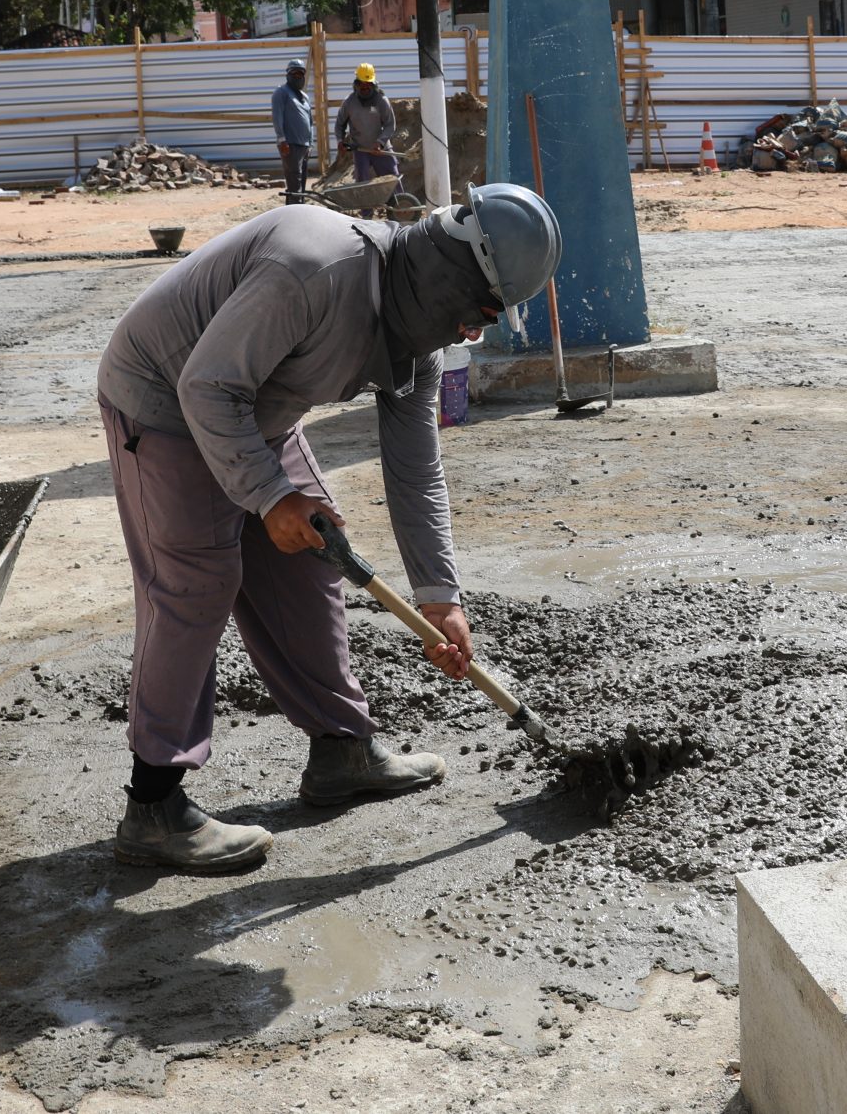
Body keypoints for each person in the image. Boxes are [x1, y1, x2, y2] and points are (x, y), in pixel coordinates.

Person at [93, 183, 561, 872]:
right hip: (166, 399)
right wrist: (268, 495)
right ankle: (153, 805)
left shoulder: (415, 339)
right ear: (448, 274)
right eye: (481, 312)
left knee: (316, 553)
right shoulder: (315, 268)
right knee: (199, 580)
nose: (474, 332)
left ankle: (342, 749)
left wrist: (441, 596)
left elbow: (414, 471)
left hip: (254, 406)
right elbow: (206, 387)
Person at [339, 62, 399, 182]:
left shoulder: (381, 101)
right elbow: (340, 124)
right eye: (362, 83)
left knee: (392, 180)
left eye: (368, 84)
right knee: (363, 184)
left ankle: (399, 201)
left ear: (373, 83)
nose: (365, 87)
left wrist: (380, 142)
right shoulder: (349, 102)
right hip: (361, 150)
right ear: (356, 83)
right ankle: (366, 201)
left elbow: (390, 124)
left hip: (381, 150)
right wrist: (340, 140)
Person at [270, 59, 315, 204]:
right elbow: (277, 117)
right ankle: (293, 211)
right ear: (288, 75)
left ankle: (298, 208)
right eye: (294, 73)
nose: (298, 76)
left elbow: (310, 121)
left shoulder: (305, 97)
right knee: (294, 180)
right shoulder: (281, 93)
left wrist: (311, 143)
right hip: (290, 145)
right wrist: (282, 140)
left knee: (301, 182)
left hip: (304, 145)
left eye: (301, 73)